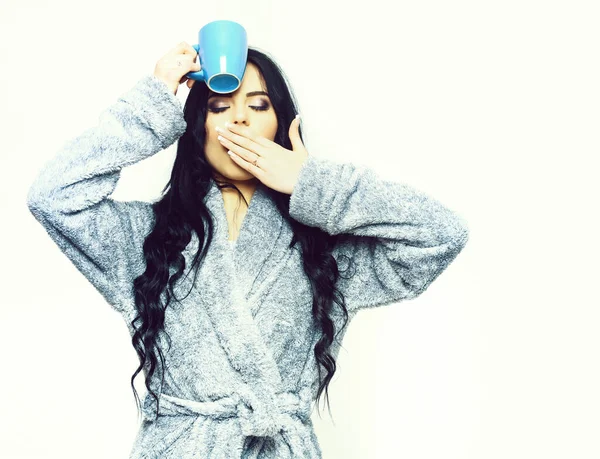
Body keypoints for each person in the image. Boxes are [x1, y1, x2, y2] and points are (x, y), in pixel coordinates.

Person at [26, 41, 470, 458]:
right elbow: (53, 196)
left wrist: (312, 183)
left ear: (281, 125)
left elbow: (442, 233)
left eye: (258, 105)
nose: (239, 119)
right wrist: (152, 106)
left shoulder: (326, 250)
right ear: (196, 127)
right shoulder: (147, 239)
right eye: (220, 107)